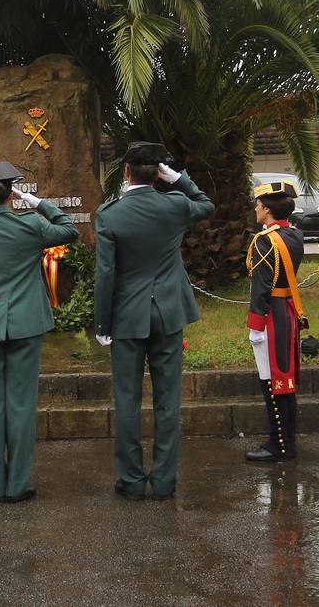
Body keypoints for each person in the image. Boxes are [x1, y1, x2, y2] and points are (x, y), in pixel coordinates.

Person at [0, 161, 79, 502]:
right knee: (21, 406)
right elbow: (69, 229)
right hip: (25, 324)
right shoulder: (32, 224)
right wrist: (38, 203)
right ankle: (18, 485)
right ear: (12, 194)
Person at [94, 142, 214, 501]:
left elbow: (106, 273)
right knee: (167, 400)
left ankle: (131, 481)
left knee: (127, 400)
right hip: (168, 313)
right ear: (158, 172)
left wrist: (102, 324)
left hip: (127, 317)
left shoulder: (110, 214)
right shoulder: (175, 204)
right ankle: (164, 481)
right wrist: (179, 179)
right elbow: (206, 205)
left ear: (127, 172)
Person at [242, 179, 305, 463]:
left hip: (271, 317)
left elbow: (261, 285)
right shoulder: (294, 235)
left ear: (266, 210)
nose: (256, 209)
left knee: (272, 383)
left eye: (258, 205)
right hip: (288, 311)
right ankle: (285, 442)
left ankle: (279, 445)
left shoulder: (265, 240)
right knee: (285, 382)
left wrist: (255, 325)